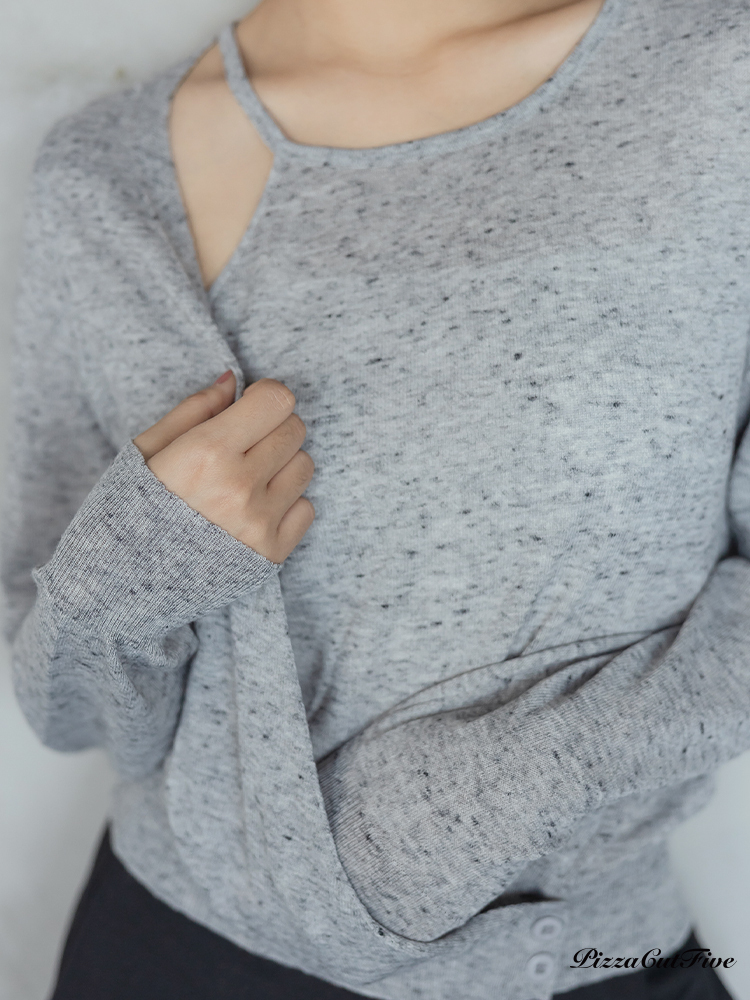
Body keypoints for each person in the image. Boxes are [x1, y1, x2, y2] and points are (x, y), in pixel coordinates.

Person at [1, 0, 748, 996]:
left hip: (568, 960)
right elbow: (81, 717)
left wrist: (494, 798)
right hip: (169, 948)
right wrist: (135, 566)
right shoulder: (98, 176)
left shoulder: (717, 78)